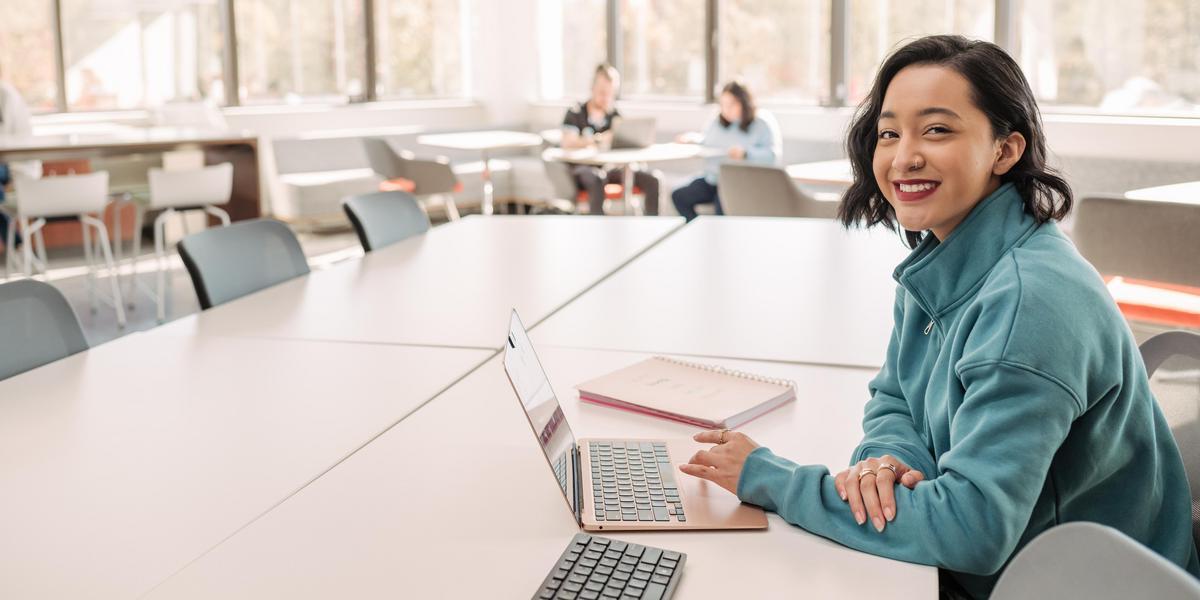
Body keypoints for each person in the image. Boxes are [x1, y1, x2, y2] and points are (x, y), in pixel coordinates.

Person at [678, 35, 1199, 598]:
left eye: (937, 129)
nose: (903, 156)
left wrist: (772, 480)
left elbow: (971, 529)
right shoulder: (944, 262)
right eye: (889, 133)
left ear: (1005, 150)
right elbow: (896, 397)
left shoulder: (1031, 303)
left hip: (1072, 584)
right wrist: (887, 461)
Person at [671, 81, 781, 221]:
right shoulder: (718, 122)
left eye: (731, 104)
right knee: (679, 196)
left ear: (744, 102)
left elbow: (772, 156)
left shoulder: (761, 123)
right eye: (723, 105)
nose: (726, 109)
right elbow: (708, 142)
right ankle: (697, 227)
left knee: (722, 207)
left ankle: (717, 235)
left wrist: (746, 153)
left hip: (740, 184)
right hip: (713, 180)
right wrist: (692, 139)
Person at [561, 64, 660, 216]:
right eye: (602, 92)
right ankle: (599, 228)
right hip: (584, 168)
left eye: (610, 93)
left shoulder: (614, 115)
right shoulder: (575, 113)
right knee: (597, 179)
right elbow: (568, 142)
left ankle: (653, 226)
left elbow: (626, 142)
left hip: (610, 167)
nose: (606, 97)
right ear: (592, 88)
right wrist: (597, 139)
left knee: (653, 179)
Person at [0, 63, 36, 247]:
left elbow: (4, 137)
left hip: (14, 164)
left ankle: (16, 243)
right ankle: (16, 243)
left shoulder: (5, 94)